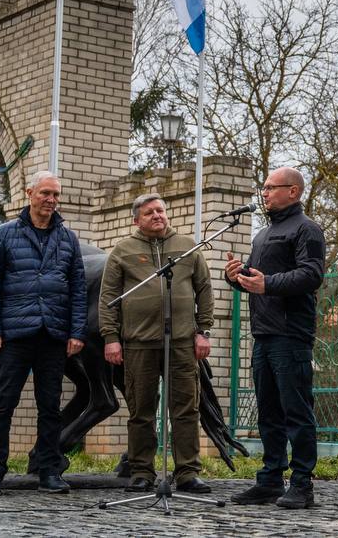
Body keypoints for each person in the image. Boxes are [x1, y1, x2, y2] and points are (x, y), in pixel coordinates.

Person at [0, 171, 87, 496]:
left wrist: (76, 332)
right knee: (3, 404)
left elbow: (78, 289)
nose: (51, 200)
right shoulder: (4, 234)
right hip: (14, 334)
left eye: (55, 195)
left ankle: (49, 471)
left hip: (53, 334)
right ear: (30, 194)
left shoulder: (68, 238)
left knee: (50, 407)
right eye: (45, 193)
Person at [223, 167, 325, 509]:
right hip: (263, 334)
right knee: (268, 413)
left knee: (296, 412)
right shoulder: (263, 235)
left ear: (293, 191)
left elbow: (311, 275)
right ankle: (269, 480)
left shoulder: (307, 229)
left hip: (290, 334)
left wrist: (267, 283)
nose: (264, 193)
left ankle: (302, 484)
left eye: (270, 187)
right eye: (263, 187)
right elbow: (258, 280)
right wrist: (236, 277)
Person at [99, 194, 214, 494]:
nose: (157, 215)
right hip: (139, 343)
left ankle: (187, 472)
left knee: (186, 409)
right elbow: (108, 297)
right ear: (136, 220)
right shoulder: (123, 250)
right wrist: (111, 338)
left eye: (161, 210)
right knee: (141, 410)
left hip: (182, 342)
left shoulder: (187, 246)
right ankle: (142, 472)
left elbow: (204, 289)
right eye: (149, 212)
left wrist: (203, 331)